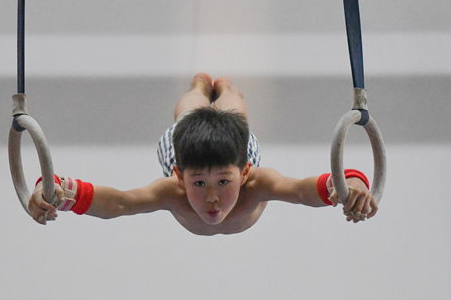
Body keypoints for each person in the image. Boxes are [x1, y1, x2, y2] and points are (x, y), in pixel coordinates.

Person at [28, 73, 377, 235]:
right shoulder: (173, 190)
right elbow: (119, 202)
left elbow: (302, 190)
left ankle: (223, 87)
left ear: (245, 173)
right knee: (188, 115)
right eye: (198, 184)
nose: (212, 197)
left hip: (233, 150)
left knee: (234, 111)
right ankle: (198, 86)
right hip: (182, 148)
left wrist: (349, 182)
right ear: (179, 176)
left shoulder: (259, 183)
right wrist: (62, 190)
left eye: (224, 181)